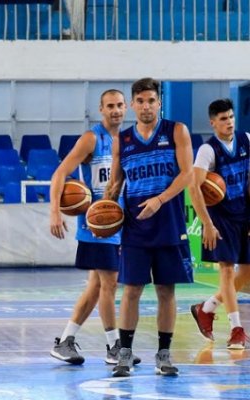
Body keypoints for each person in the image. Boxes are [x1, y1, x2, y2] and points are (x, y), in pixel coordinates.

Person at [104, 77, 194, 377]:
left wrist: (160, 199)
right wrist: (103, 211)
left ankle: (164, 354)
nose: (146, 106)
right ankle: (125, 354)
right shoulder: (123, 140)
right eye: (140, 101)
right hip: (135, 227)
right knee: (131, 290)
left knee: (166, 291)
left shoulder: (176, 131)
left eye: (151, 101)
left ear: (159, 103)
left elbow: (187, 174)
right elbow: (115, 184)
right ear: (132, 105)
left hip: (168, 223)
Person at [50, 89, 141, 366]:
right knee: (109, 284)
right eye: (110, 106)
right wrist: (55, 210)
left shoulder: (128, 141)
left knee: (96, 286)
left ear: (126, 108)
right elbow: (60, 173)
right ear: (101, 109)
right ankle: (114, 346)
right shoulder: (92, 138)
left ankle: (66, 340)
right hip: (97, 223)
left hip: (119, 223)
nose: (116, 110)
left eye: (120, 105)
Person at [189, 98, 250, 349]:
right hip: (221, 217)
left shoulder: (246, 139)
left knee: (246, 271)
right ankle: (237, 329)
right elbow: (194, 187)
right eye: (224, 119)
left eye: (231, 117)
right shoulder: (207, 150)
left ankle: (207, 308)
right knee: (226, 269)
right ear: (213, 123)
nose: (229, 123)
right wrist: (207, 223)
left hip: (243, 212)